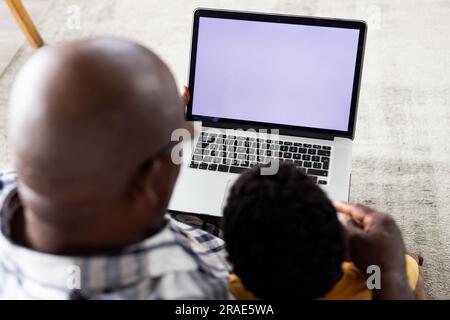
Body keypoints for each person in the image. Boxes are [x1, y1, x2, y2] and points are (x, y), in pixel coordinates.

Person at [0, 37, 231, 299]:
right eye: (180, 138)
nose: (188, 132)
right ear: (153, 181)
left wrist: (155, 119)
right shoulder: (195, 291)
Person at [223, 163, 424, 300]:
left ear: (233, 261)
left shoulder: (230, 289)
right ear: (340, 244)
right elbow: (395, 277)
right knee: (410, 261)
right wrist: (388, 271)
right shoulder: (378, 280)